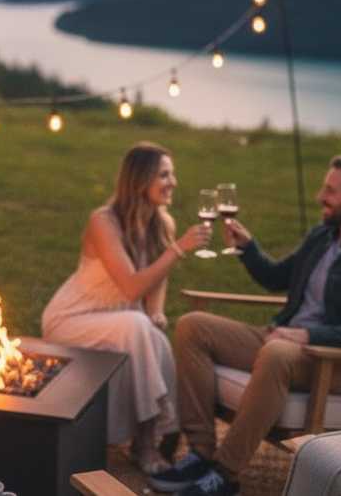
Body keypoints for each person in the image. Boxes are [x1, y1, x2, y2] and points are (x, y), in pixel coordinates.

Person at [150, 155, 341, 496]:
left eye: (330, 191)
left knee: (275, 353)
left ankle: (225, 474)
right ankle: (200, 453)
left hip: (337, 362)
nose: (320, 196)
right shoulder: (323, 236)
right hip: (284, 341)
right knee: (191, 326)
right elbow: (277, 278)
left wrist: (308, 334)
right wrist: (248, 248)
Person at [41, 141, 213, 474]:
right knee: (136, 326)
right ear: (140, 179)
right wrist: (179, 249)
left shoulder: (162, 223)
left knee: (156, 339)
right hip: (73, 318)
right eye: (164, 175)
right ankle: (148, 441)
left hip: (121, 319)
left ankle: (159, 435)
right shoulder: (103, 221)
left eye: (172, 174)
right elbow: (131, 286)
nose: (173, 182)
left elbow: (157, 278)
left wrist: (156, 311)